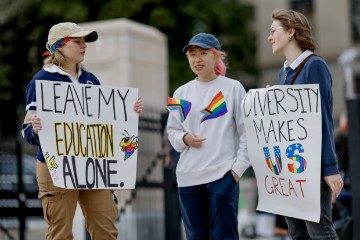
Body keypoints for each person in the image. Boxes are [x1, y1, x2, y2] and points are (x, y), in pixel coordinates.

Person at [21, 22, 143, 240]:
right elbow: (27, 130)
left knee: (106, 231)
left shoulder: (91, 80)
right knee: (60, 234)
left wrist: (128, 113)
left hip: (92, 163)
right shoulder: (42, 81)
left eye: (84, 41)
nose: (84, 46)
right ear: (59, 46)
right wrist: (35, 129)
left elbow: (106, 124)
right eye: (77, 41)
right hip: (55, 165)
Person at [267, 8, 344, 239]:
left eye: (273, 31)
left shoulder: (314, 66)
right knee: (297, 233)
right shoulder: (284, 72)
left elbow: (323, 118)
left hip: (312, 166)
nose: (269, 37)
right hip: (291, 167)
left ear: (291, 32)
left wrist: (329, 168)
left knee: (319, 230)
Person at [166, 33, 251, 240]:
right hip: (188, 178)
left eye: (203, 53)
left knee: (225, 236)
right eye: (192, 54)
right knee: (196, 237)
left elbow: (247, 133)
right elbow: (172, 132)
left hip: (223, 176)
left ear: (216, 57)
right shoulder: (180, 93)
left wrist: (236, 172)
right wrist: (185, 138)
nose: (197, 59)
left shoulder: (233, 88)